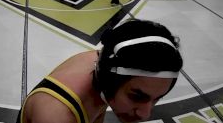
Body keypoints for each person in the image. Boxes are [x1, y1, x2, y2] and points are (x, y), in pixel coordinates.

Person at [17, 18, 183, 123]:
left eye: (157, 99)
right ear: (107, 78)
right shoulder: (56, 116)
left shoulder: (103, 64)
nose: (145, 114)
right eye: (136, 96)